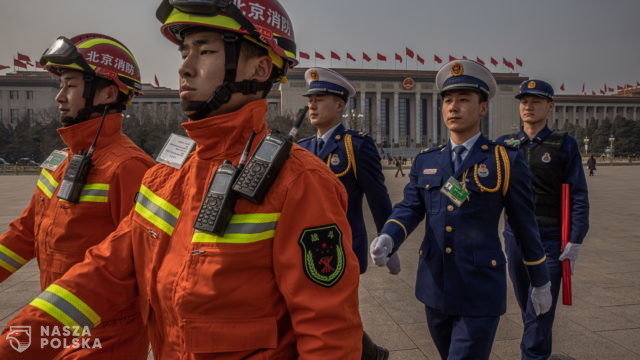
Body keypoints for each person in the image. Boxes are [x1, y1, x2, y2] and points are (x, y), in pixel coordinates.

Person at [0, 1, 363, 358]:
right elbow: (103, 272)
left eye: (204, 51)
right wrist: (14, 344)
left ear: (260, 68)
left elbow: (329, 333)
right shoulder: (166, 177)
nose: (185, 69)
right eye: (184, 53)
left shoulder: (300, 183)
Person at [369, 60, 552, 360]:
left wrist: (540, 279)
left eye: (464, 100)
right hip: (435, 287)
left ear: (483, 108)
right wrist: (389, 236)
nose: (453, 107)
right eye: (448, 100)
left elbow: (524, 224)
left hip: (480, 289)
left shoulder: (503, 160)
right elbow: (411, 207)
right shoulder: (427, 160)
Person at [0, 33, 153, 359]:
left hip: (106, 337)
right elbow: (26, 233)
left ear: (107, 93)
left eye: (70, 85)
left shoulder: (129, 167)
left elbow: (132, 267)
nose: (59, 97)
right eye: (61, 86)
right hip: (60, 324)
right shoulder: (61, 161)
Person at [297, 67, 393, 360]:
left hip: (342, 246)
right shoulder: (301, 149)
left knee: (338, 311)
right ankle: (370, 354)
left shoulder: (355, 146)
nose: (312, 104)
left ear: (340, 105)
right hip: (302, 246)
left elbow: (378, 196)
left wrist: (390, 237)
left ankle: (365, 353)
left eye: (320, 98)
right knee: (324, 314)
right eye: (310, 98)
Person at [497, 79, 589, 360]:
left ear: (549, 106)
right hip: (515, 237)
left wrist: (575, 239)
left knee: (540, 306)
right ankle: (540, 353)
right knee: (529, 301)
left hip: (549, 237)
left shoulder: (563, 144)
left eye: (536, 101)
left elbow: (578, 195)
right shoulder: (505, 145)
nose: (528, 106)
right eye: (524, 101)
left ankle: (532, 356)